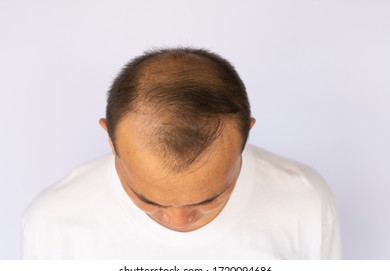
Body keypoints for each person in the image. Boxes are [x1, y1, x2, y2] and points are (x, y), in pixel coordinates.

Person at [22, 47, 342, 259]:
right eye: (149, 200)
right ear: (110, 138)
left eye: (209, 198)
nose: (178, 221)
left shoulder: (304, 200)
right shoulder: (54, 221)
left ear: (246, 135)